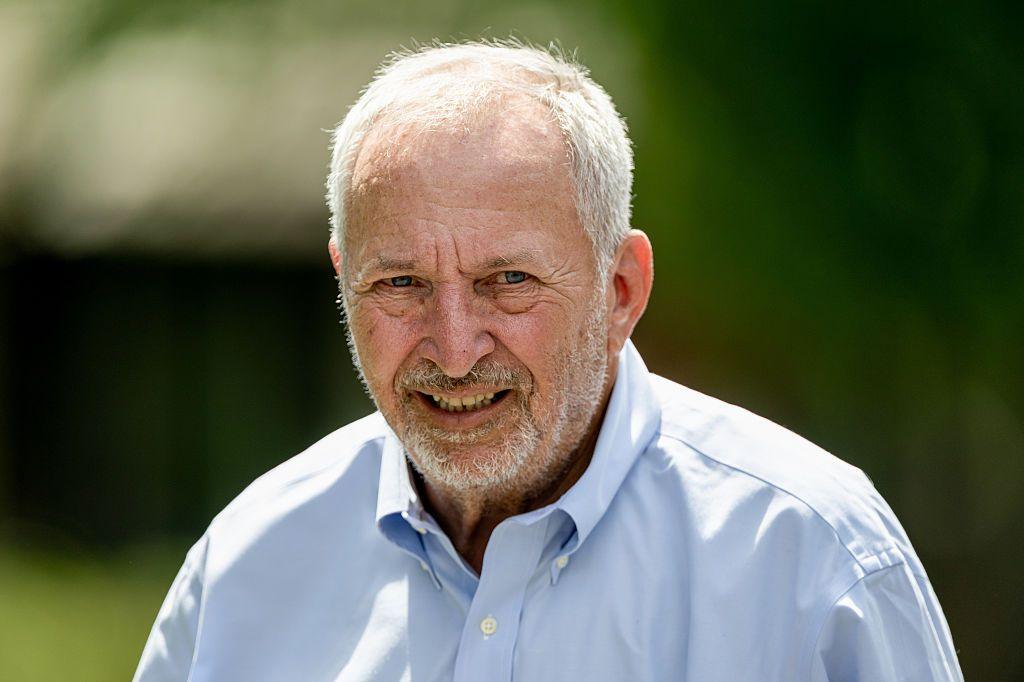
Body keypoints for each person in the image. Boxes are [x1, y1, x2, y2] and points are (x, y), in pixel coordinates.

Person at [135, 41, 962, 681]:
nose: (454, 349)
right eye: (401, 284)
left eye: (508, 282)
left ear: (621, 291)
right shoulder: (248, 563)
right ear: (343, 282)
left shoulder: (815, 559)